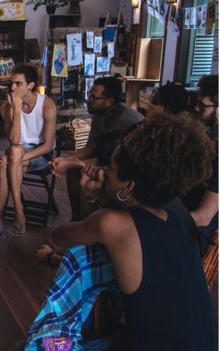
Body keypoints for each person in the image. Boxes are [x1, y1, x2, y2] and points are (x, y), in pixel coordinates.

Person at [47, 114, 215, 350]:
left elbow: (57, 238)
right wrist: (107, 195)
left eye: (111, 169)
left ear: (128, 186)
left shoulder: (113, 224)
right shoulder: (178, 210)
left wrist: (89, 195)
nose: (104, 170)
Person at [0, 64, 57, 240]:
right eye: (11, 84)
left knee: (8, 160)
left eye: (18, 84)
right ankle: (17, 211)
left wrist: (17, 159)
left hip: (41, 154)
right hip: (18, 151)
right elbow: (14, 140)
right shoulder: (6, 107)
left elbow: (49, 145)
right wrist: (16, 111)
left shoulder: (47, 105)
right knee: (13, 151)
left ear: (30, 85)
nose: (12, 88)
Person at [50, 77, 144, 221]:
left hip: (125, 171)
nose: (89, 100)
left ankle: (91, 222)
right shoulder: (99, 116)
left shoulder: (126, 122)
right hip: (107, 162)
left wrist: (69, 163)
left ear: (109, 101)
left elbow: (108, 159)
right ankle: (77, 220)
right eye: (89, 95)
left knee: (78, 171)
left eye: (94, 98)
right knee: (73, 172)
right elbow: (91, 148)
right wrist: (65, 160)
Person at [181, 74, 218, 245]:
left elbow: (203, 217)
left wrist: (157, 224)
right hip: (179, 214)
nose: (196, 109)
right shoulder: (206, 138)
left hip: (195, 233)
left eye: (202, 106)